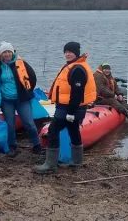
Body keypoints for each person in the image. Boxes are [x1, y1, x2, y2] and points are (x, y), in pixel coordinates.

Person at [34, 41, 97, 174]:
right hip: (71, 108)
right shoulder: (74, 66)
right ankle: (76, 162)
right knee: (73, 130)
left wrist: (71, 112)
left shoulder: (77, 69)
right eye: (66, 52)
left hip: (70, 108)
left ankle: (50, 164)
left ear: (76, 53)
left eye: (70, 52)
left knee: (53, 130)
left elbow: (77, 93)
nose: (67, 54)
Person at [0, 41, 44, 157]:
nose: (7, 54)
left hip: (22, 100)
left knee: (29, 123)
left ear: (12, 52)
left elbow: (32, 78)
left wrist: (28, 91)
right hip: (6, 101)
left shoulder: (21, 63)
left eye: (9, 51)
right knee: (10, 124)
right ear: (1, 54)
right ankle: (12, 146)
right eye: (4, 52)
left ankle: (37, 145)